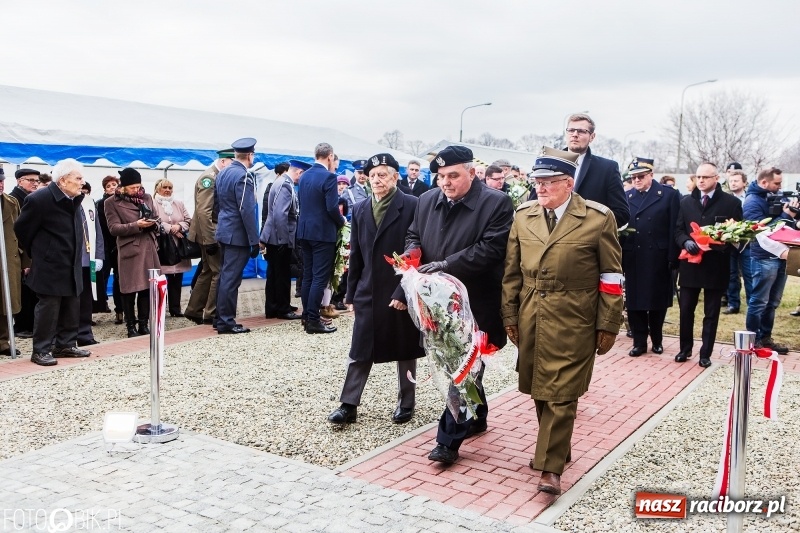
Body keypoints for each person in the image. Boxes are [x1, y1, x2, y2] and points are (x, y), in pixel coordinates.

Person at [502, 147, 622, 495]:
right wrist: (510, 314)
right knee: (539, 387)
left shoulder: (598, 218)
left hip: (575, 317)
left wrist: (608, 322)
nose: (540, 188)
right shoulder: (523, 215)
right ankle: (557, 447)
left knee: (561, 393)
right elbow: (511, 272)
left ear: (569, 184)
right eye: (537, 181)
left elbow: (612, 276)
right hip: (532, 313)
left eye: (549, 182)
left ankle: (550, 468)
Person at [404, 145, 514, 465]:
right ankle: (477, 416)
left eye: (453, 175)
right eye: (440, 177)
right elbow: (414, 234)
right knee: (460, 366)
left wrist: (445, 266)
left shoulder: (496, 203)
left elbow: (491, 249)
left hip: (476, 302)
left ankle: (448, 442)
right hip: (437, 303)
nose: (445, 183)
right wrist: (412, 258)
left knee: (463, 367)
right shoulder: (427, 199)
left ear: (472, 173)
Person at [327, 153, 424, 425]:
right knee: (360, 348)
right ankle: (348, 404)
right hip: (368, 289)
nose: (376, 180)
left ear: (395, 177)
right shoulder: (360, 208)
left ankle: (406, 402)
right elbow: (356, 254)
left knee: (405, 349)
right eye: (372, 175)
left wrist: (404, 291)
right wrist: (351, 294)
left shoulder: (412, 204)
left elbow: (418, 249)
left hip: (400, 287)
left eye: (382, 174)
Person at [14, 158, 90, 366]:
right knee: (49, 307)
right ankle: (41, 350)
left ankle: (65, 344)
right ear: (63, 180)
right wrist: (40, 252)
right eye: (78, 178)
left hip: (71, 262)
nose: (82, 182)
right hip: (49, 264)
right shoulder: (40, 199)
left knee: (71, 304)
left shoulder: (73, 198)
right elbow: (22, 229)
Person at [674, 162, 743, 367]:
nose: (701, 181)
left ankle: (705, 353)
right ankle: (684, 349)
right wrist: (685, 242)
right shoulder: (686, 201)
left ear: (716, 178)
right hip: (691, 265)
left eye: (705, 177)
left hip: (716, 265)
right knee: (686, 310)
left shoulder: (731, 203)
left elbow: (738, 235)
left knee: (711, 313)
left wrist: (718, 244)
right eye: (698, 177)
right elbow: (678, 230)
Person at [620, 158, 680, 357]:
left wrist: (673, 256)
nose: (636, 180)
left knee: (657, 301)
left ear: (651, 175)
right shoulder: (627, 196)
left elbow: (674, 227)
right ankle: (639, 342)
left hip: (658, 256)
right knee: (635, 302)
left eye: (641, 176)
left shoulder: (668, 195)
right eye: (633, 177)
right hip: (634, 256)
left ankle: (657, 339)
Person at [743, 167, 796, 354]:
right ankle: (752, 340)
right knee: (759, 302)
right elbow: (761, 230)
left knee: (773, 302)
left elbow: (787, 226)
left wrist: (793, 214)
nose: (780, 187)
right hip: (764, 257)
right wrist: (786, 215)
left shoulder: (776, 196)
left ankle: (766, 338)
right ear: (764, 182)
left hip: (782, 256)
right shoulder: (752, 202)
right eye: (777, 183)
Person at [104, 168, 161, 338]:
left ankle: (143, 324)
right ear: (123, 187)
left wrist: (154, 224)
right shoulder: (111, 202)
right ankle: (131, 326)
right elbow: (113, 228)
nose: (137, 190)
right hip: (130, 249)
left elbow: (157, 217)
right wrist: (136, 225)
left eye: (139, 186)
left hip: (149, 247)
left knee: (147, 287)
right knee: (129, 289)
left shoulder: (147, 197)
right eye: (132, 187)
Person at [297, 142, 345, 334]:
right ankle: (313, 320)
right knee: (319, 277)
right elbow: (332, 207)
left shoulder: (304, 175)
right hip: (322, 233)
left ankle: (307, 316)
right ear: (330, 156)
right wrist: (342, 222)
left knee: (308, 276)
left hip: (304, 231)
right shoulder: (329, 177)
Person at [214, 138, 260, 335]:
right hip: (237, 234)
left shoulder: (223, 173)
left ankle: (219, 317)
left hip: (225, 230)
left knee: (224, 276)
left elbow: (216, 205)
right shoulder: (243, 176)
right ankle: (226, 321)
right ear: (250, 155)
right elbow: (246, 210)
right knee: (231, 279)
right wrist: (254, 240)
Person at [184, 149, 234, 325]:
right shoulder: (210, 178)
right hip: (209, 232)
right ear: (223, 161)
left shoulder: (216, 176)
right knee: (217, 272)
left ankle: (194, 310)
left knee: (207, 271)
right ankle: (211, 313)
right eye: (232, 163)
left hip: (208, 231)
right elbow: (204, 212)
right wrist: (210, 239)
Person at [261, 159, 309, 320]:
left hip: (274, 235)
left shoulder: (281, 182)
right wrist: (283, 239)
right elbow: (280, 214)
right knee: (282, 274)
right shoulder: (285, 185)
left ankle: (273, 307)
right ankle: (283, 309)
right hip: (279, 237)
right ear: (299, 172)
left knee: (274, 274)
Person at [563, 113, 629, 227]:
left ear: (592, 137)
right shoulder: (548, 162)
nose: (575, 134)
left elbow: (621, 213)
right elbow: (534, 206)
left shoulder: (607, 168)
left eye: (581, 131)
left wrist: (589, 229)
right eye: (571, 130)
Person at [153, 178, 192, 317]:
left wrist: (179, 226)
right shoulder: (153, 204)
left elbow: (188, 221)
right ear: (157, 189)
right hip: (161, 246)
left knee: (177, 278)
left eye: (170, 187)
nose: (167, 190)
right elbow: (154, 221)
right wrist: (170, 228)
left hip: (178, 245)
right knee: (161, 278)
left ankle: (175, 309)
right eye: (164, 187)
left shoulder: (179, 203)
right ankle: (160, 309)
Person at [10, 168, 40, 338]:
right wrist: (26, 259)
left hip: (31, 252)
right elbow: (18, 232)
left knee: (31, 292)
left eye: (37, 181)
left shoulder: (31, 198)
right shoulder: (15, 200)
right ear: (20, 181)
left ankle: (30, 325)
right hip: (21, 254)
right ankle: (22, 326)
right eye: (31, 180)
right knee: (23, 292)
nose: (35, 183)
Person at [0, 172, 25, 357]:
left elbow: (21, 232)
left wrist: (26, 260)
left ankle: (3, 341)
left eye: (1, 181)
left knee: (6, 301)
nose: (0, 184)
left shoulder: (12, 202)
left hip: (8, 259)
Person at [77, 184, 104, 346]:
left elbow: (97, 230)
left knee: (86, 299)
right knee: (70, 300)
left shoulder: (89, 202)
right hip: (70, 261)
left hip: (88, 258)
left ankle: (84, 334)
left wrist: (99, 255)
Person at [96, 176, 123, 323]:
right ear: (105, 190)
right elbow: (102, 227)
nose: (112, 187)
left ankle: (120, 310)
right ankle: (102, 303)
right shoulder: (101, 204)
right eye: (108, 186)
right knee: (103, 276)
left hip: (120, 246)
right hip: (106, 246)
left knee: (119, 278)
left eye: (114, 184)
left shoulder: (123, 202)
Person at [723, 169, 749, 315]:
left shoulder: (750, 199)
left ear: (744, 183)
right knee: (731, 273)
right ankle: (733, 303)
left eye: (736, 181)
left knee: (748, 273)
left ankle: (752, 302)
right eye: (731, 181)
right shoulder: (727, 200)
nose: (733, 183)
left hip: (748, 241)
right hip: (731, 241)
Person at [261, 162, 290, 226]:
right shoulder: (271, 188)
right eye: (285, 175)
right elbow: (266, 212)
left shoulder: (289, 188)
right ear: (278, 174)